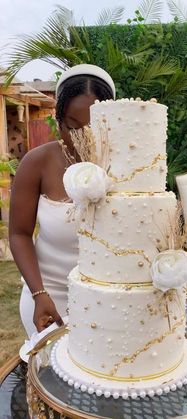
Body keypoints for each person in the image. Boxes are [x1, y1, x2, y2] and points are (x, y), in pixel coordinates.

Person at [9, 64, 116, 337]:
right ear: (58, 121)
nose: (83, 138)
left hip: (109, 303)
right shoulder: (37, 163)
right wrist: (39, 294)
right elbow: (20, 233)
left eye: (95, 127)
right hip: (48, 297)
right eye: (72, 126)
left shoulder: (125, 165)